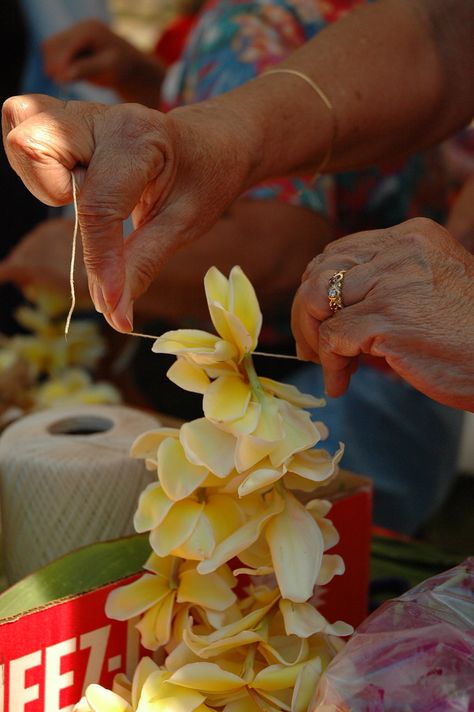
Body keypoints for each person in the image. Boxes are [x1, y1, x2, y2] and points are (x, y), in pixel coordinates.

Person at [2, 0, 474, 535]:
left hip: (345, 399)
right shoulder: (259, 25)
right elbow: (445, 28)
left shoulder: (256, 21)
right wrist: (187, 119)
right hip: (398, 386)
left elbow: (279, 252)